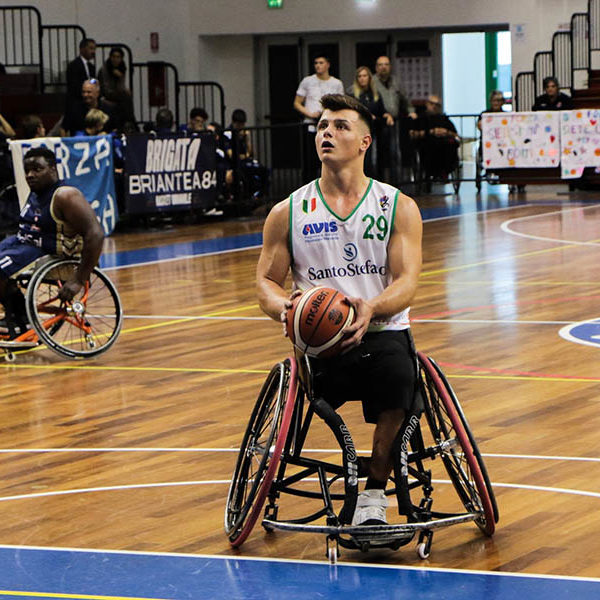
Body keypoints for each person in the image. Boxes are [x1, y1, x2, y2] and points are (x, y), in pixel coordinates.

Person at [256, 93, 423, 526]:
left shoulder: (397, 207)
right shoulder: (287, 211)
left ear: (365, 142)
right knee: (324, 381)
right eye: (322, 126)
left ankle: (373, 493)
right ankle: (359, 479)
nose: (327, 132)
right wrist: (285, 309)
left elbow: (407, 282)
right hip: (320, 346)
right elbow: (266, 285)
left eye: (340, 126)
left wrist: (371, 307)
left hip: (382, 333)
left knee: (399, 379)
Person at [0, 147, 104, 338]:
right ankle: (20, 315)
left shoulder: (66, 196)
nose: (30, 175)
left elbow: (95, 234)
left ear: (53, 169)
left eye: (37, 169)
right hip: (23, 242)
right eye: (27, 170)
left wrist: (78, 280)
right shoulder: (36, 192)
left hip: (47, 250)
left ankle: (20, 317)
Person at [294, 56, 344, 181]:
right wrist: (310, 114)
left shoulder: (336, 83)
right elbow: (297, 103)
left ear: (328, 64)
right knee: (309, 161)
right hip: (310, 125)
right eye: (316, 63)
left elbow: (341, 104)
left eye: (321, 63)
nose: (318, 65)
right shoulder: (307, 81)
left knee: (328, 159)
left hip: (329, 127)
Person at [373, 55, 416, 181]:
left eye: (386, 64)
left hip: (395, 122)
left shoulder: (396, 82)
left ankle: (395, 182)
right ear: (376, 68)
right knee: (380, 154)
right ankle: (380, 180)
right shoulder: (372, 82)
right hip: (379, 122)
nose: (383, 67)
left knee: (395, 152)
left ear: (390, 67)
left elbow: (405, 99)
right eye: (380, 65)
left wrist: (411, 111)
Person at [409, 94, 460, 183]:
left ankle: (444, 172)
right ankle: (431, 173)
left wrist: (446, 132)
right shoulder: (420, 118)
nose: (434, 106)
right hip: (426, 145)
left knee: (450, 146)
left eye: (437, 105)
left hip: (445, 146)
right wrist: (431, 132)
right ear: (427, 104)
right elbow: (412, 134)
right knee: (430, 147)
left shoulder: (444, 119)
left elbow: (456, 135)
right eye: (432, 104)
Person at [348, 66, 388, 177]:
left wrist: (387, 115)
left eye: (364, 76)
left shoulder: (375, 94)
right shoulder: (352, 95)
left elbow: (382, 110)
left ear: (369, 78)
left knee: (378, 157)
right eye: (359, 76)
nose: (362, 78)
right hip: (359, 131)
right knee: (365, 158)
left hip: (375, 129)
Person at [97, 46, 135, 128]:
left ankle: (127, 123)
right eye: (113, 56)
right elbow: (105, 88)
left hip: (118, 94)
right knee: (126, 97)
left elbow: (121, 86)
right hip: (106, 95)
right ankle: (130, 121)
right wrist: (122, 91)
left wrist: (121, 80)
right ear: (110, 57)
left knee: (126, 98)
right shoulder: (104, 69)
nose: (115, 59)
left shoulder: (122, 68)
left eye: (118, 57)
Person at [65, 38, 96, 124]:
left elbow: (93, 80)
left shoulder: (91, 67)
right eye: (91, 48)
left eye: (94, 49)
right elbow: (74, 86)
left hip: (89, 100)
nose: (93, 52)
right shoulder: (73, 65)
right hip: (77, 100)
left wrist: (93, 86)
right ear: (82, 49)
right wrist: (86, 93)